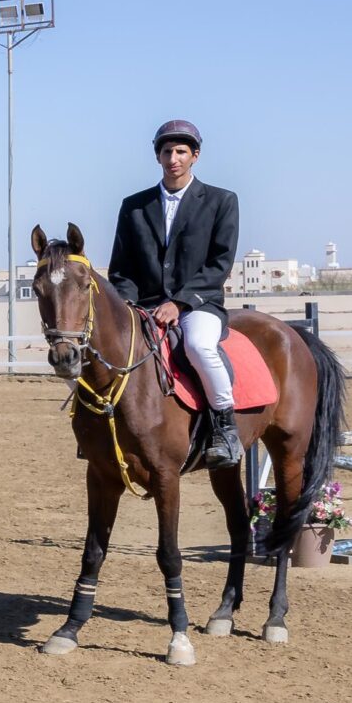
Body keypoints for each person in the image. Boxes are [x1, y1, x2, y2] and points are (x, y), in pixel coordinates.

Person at [108, 118, 242, 469]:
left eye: (181, 151)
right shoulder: (133, 206)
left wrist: (179, 302)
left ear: (195, 155)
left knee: (198, 346)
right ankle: (98, 431)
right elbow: (121, 268)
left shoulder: (221, 201)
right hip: (144, 306)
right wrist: (128, 306)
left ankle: (224, 426)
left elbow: (219, 264)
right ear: (158, 157)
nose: (173, 158)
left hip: (199, 304)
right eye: (167, 151)